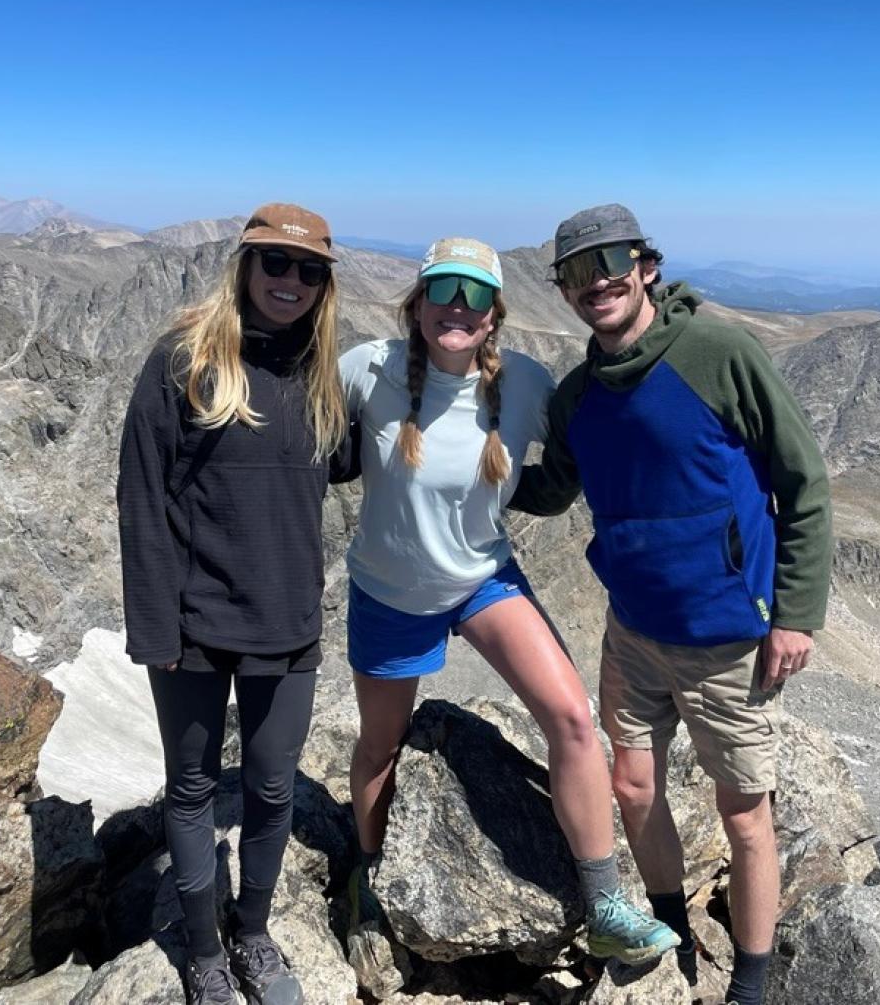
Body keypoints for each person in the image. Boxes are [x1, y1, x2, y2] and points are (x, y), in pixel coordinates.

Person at [509, 204, 832, 1005]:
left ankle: (750, 983)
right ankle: (670, 931)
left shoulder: (718, 352)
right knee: (634, 788)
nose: (597, 283)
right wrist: (468, 475)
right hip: (632, 632)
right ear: (564, 291)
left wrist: (796, 611)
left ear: (646, 265)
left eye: (611, 261)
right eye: (577, 273)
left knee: (745, 813)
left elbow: (804, 481)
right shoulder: (580, 393)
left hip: (728, 639)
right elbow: (555, 490)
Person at [338, 237, 679, 967]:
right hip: (390, 592)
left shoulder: (524, 384)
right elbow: (303, 440)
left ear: (493, 316)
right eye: (443, 289)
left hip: (483, 579)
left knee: (572, 719)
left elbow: (592, 440)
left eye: (474, 295)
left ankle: (605, 903)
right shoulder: (368, 368)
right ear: (418, 304)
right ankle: (368, 870)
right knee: (379, 745)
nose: (456, 306)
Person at [117, 203, 354, 1005]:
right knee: (189, 789)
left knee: (273, 787)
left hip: (288, 625)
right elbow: (141, 497)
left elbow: (348, 460)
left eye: (309, 270)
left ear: (324, 285)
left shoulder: (322, 376)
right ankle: (204, 950)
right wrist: (154, 627)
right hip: (191, 625)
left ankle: (253, 933)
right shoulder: (183, 360)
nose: (290, 282)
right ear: (245, 266)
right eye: (275, 264)